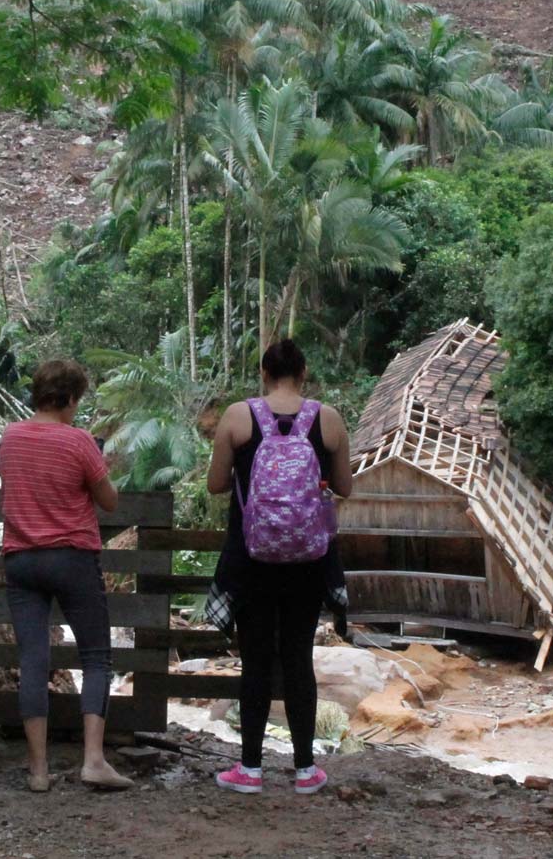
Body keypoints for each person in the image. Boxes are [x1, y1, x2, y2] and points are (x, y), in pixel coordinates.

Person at [206, 340, 355, 796]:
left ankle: (249, 769)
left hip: (252, 560)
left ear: (264, 372)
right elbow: (345, 487)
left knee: (253, 659)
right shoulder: (327, 419)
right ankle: (306, 769)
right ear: (303, 371)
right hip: (308, 562)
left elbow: (215, 486)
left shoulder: (238, 416)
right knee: (297, 659)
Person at [0, 359, 133, 793]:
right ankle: (93, 760)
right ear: (70, 398)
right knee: (95, 657)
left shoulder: (10, 437)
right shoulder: (78, 442)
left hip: (21, 560)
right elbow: (109, 501)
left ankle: (38, 771)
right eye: (78, 401)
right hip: (71, 559)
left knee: (33, 660)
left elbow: (5, 474)